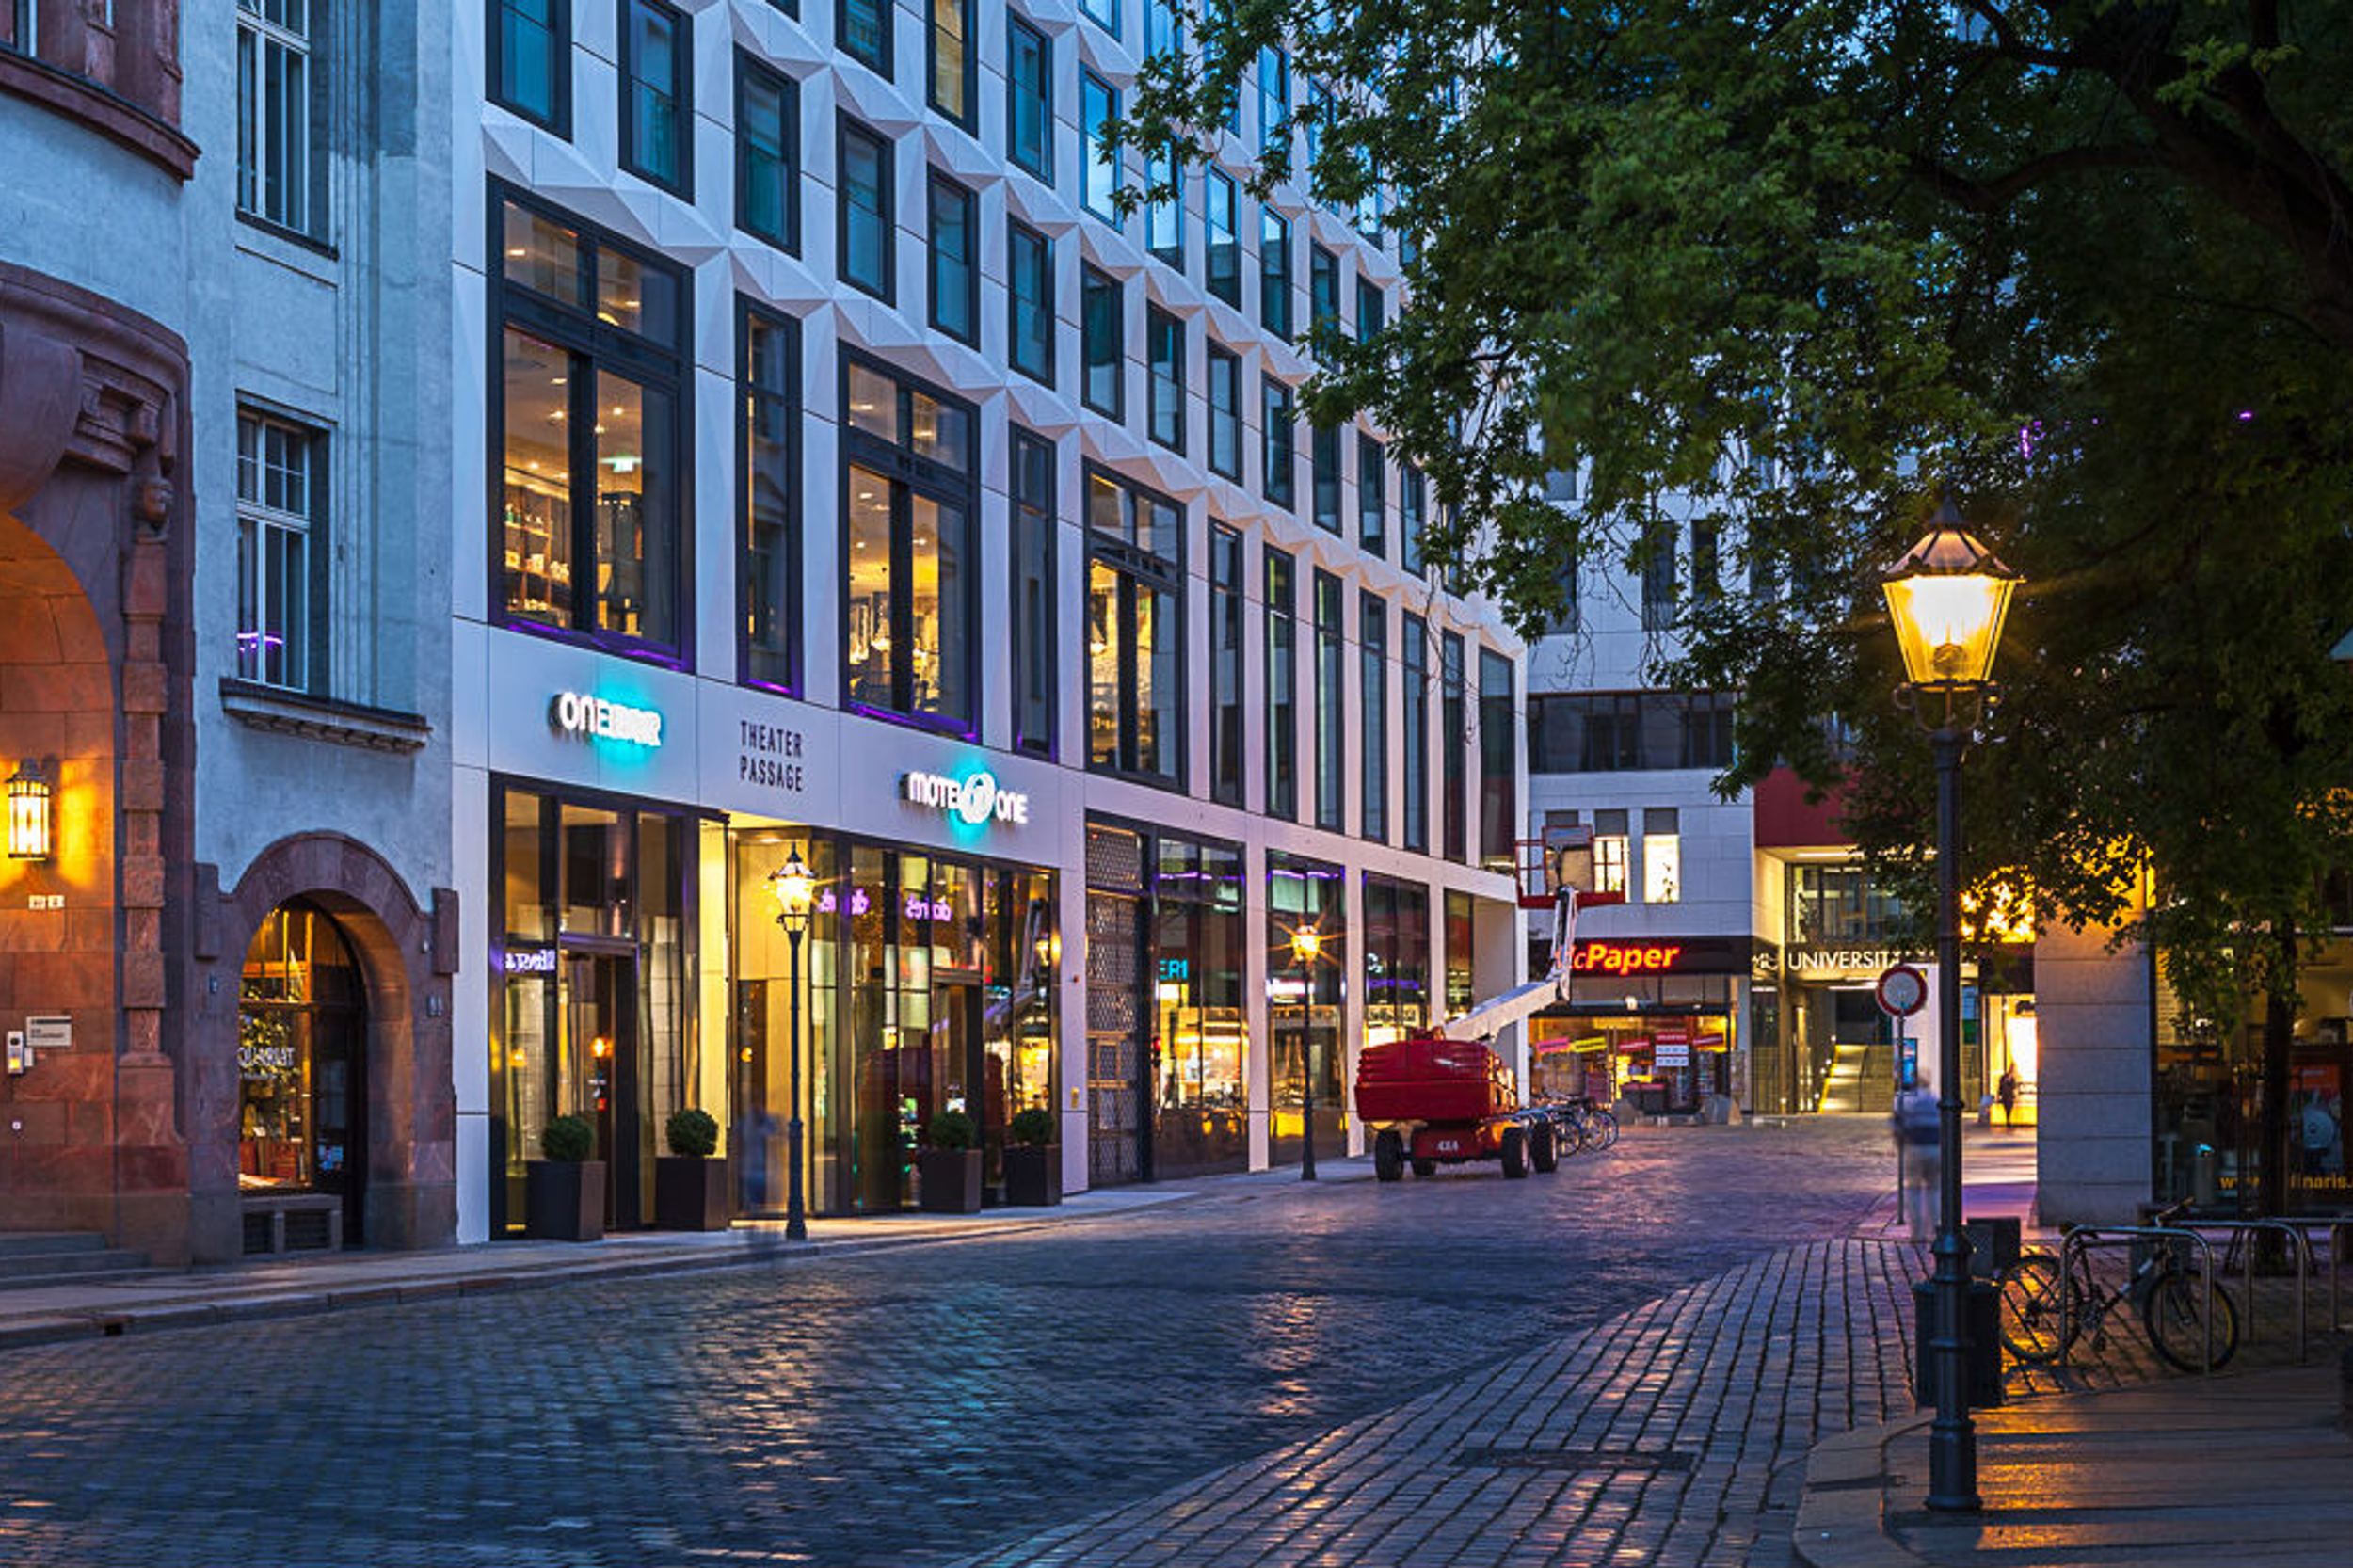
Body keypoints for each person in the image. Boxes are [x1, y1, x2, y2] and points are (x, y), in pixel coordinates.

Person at [1892, 1087, 1941, 1241]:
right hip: (1934, 1147)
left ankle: (1917, 1232)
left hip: (1914, 1147)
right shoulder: (1935, 1100)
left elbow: (1897, 1126)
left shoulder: (1905, 1102)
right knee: (1934, 1189)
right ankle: (1935, 1230)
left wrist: (1899, 1145)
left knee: (1913, 1189)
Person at [1997, 1064, 2021, 1129]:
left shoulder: (2012, 1078)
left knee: (2009, 1108)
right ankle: (2008, 1121)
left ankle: (2008, 1121)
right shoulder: (2004, 1077)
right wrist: (1999, 1095)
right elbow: (2001, 1087)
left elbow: (2014, 1087)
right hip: (2006, 1095)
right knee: (2007, 1108)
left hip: (2010, 1096)